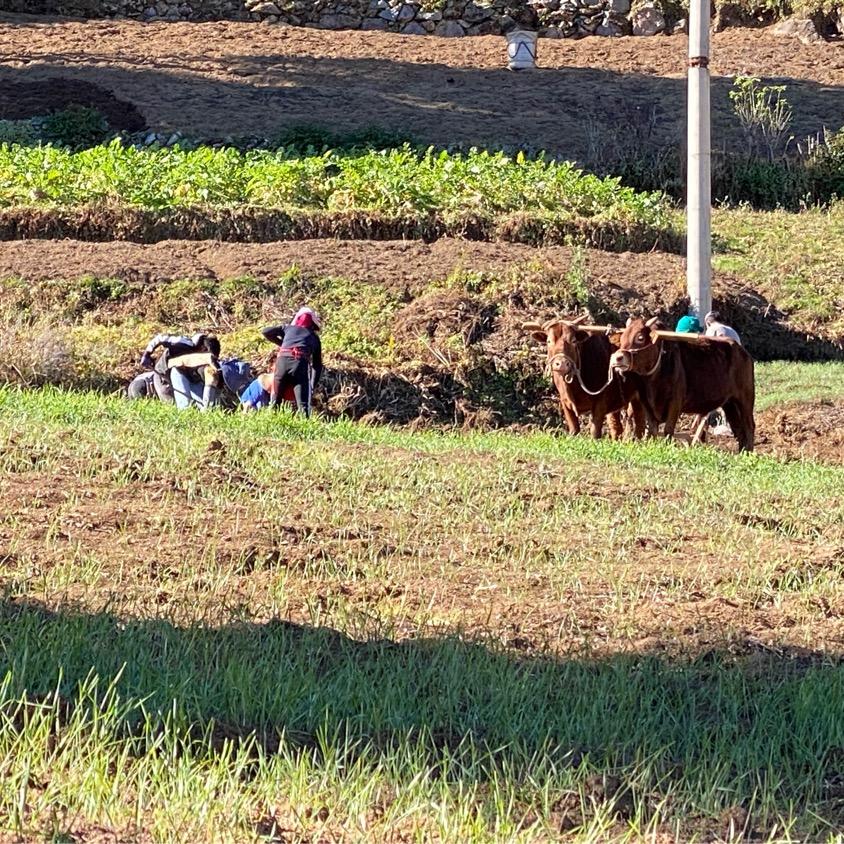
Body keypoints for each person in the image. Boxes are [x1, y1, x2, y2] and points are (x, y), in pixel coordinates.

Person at [262, 307, 323, 417]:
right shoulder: (314, 338)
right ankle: (305, 429)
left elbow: (265, 331)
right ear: (312, 324)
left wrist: (282, 344)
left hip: (281, 363)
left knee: (275, 401)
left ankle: (270, 426)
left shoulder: (287, 328)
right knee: (303, 405)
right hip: (299, 364)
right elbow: (317, 366)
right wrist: (312, 385)